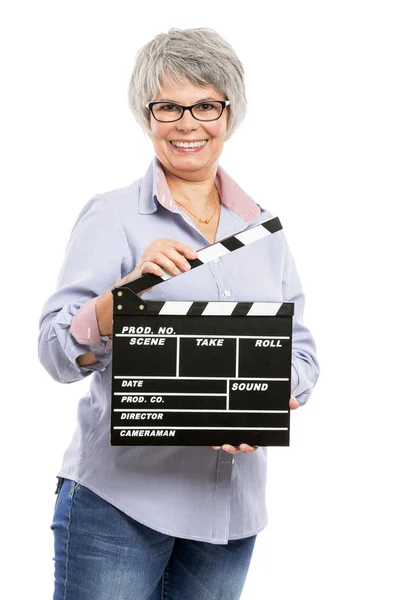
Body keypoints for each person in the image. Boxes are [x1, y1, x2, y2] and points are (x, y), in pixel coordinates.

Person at [38, 27, 320, 600]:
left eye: (205, 105)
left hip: (229, 517)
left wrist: (264, 397)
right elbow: (55, 353)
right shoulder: (113, 216)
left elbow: (303, 353)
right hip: (118, 507)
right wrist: (121, 301)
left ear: (229, 112)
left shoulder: (263, 229)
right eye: (168, 106)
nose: (187, 123)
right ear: (147, 116)